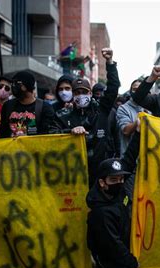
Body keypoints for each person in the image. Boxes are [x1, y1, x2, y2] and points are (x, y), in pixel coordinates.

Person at [50, 48, 120, 186]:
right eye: (77, 92)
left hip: (100, 174)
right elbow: (51, 135)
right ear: (73, 95)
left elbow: (113, 87)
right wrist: (69, 132)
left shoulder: (102, 110)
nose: (80, 95)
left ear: (90, 93)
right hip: (74, 174)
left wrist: (110, 62)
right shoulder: (63, 115)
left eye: (84, 92)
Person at [86, 130, 141, 268]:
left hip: (122, 239)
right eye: (113, 180)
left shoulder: (116, 189)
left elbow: (129, 159)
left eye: (121, 179)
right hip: (108, 250)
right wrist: (132, 262)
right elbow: (113, 245)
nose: (119, 183)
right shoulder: (100, 213)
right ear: (102, 183)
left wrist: (139, 132)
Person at [0, 71, 54, 138]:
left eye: (15, 83)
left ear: (24, 87)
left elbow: (46, 136)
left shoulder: (44, 108)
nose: (12, 86)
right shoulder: (8, 106)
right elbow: (2, 134)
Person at [116, 79, 148, 156]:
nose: (138, 92)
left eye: (140, 89)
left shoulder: (151, 107)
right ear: (130, 91)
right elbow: (126, 131)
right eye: (135, 89)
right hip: (129, 159)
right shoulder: (123, 108)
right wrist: (138, 121)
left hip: (147, 159)